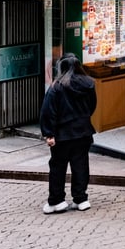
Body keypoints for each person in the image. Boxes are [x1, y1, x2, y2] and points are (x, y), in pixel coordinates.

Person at [39, 53, 97, 214]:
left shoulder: (56, 87)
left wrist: (49, 134)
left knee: (58, 167)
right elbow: (92, 106)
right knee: (81, 165)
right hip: (83, 131)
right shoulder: (89, 84)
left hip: (62, 134)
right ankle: (81, 199)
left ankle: (56, 201)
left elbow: (48, 111)